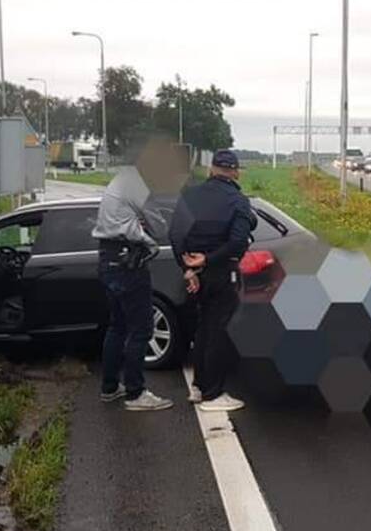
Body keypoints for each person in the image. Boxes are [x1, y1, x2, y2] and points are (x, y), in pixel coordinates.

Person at [169, 149, 258, 412]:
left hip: (195, 275)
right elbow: (238, 241)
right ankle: (213, 394)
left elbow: (175, 234)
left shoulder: (189, 195)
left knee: (203, 330)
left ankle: (198, 387)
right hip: (221, 272)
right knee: (218, 331)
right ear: (235, 172)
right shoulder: (238, 201)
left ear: (211, 170)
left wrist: (188, 268)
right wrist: (208, 260)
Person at [92, 168, 174, 412]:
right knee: (141, 329)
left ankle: (109, 387)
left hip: (108, 258)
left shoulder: (120, 180)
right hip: (128, 262)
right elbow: (160, 228)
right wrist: (145, 224)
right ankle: (135, 393)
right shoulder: (138, 186)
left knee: (117, 326)